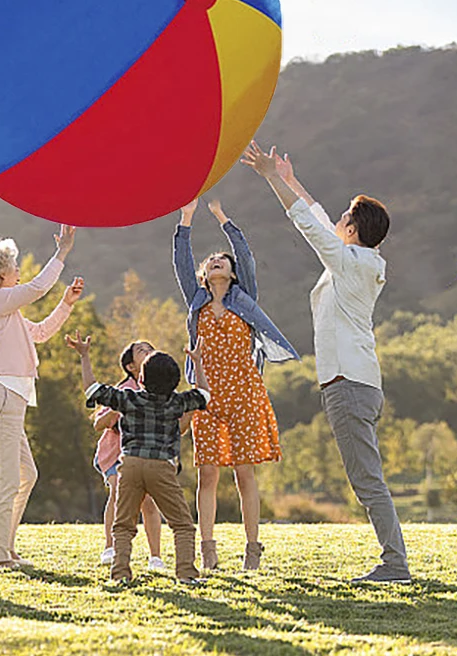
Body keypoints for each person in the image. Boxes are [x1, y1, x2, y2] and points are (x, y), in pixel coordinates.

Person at [242, 140, 411, 584]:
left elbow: (309, 227)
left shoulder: (351, 262)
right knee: (367, 478)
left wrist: (272, 179)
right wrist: (290, 178)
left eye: (343, 219)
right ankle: (395, 561)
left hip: (349, 383)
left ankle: (395, 564)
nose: (336, 221)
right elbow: (318, 218)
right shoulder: (357, 260)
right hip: (357, 382)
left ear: (352, 231)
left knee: (366, 480)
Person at [173, 197, 298, 572]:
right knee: (208, 473)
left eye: (222, 260)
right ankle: (207, 550)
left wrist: (223, 218)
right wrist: (187, 218)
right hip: (208, 398)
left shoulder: (245, 299)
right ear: (203, 274)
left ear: (232, 272)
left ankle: (252, 551)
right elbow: (180, 260)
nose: (216, 261)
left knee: (244, 472)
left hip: (245, 394)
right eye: (211, 261)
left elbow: (245, 254)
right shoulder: (195, 301)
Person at [0, 225, 83, 569]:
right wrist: (61, 253)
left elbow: (42, 333)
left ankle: (6, 546)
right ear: (0, 274)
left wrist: (66, 304)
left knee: (25, 475)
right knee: (7, 478)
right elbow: (36, 288)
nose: (18, 270)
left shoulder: (6, 311)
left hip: (8, 397)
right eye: (14, 266)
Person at [68, 331, 209, 584]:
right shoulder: (177, 402)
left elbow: (92, 389)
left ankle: (121, 574)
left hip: (129, 465)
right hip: (162, 468)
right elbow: (204, 395)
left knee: (123, 525)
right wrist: (197, 362)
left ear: (140, 378)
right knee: (183, 525)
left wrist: (85, 356)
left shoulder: (129, 398)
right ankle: (186, 574)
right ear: (175, 380)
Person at [93, 340, 167, 571]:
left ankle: (155, 557)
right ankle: (110, 547)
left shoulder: (160, 390)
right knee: (118, 491)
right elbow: (99, 423)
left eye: (150, 349)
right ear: (130, 366)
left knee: (148, 501)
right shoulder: (123, 390)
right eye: (141, 351)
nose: (148, 352)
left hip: (145, 454)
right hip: (116, 453)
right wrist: (119, 407)